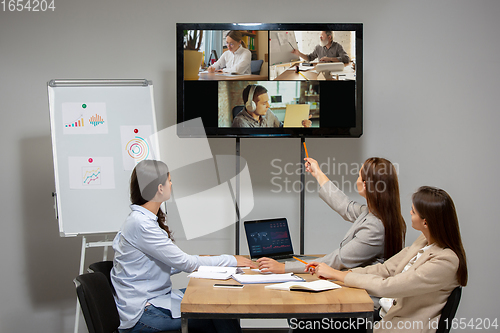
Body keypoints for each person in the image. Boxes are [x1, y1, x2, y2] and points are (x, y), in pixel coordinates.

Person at [111, 160, 255, 333]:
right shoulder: (141, 224)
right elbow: (186, 263)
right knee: (219, 311)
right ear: (160, 188)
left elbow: (158, 267)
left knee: (213, 295)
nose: (171, 184)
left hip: (153, 300)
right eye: (169, 180)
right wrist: (232, 260)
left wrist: (204, 260)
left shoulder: (141, 219)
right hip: (143, 313)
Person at [306, 186, 468, 333]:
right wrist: (342, 273)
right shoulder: (423, 241)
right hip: (384, 315)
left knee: (315, 325)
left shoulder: (446, 261)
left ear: (425, 222)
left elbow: (389, 286)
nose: (410, 213)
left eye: (413, 211)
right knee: (310, 322)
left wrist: (338, 275)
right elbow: (385, 269)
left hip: (400, 326)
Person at [258, 157, 406, 281]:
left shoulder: (375, 227)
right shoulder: (379, 214)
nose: (357, 179)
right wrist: (317, 173)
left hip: (364, 295)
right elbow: (345, 206)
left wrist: (283, 267)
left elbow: (338, 259)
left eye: (359, 176)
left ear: (366, 185)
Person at [232, 84, 312, 128]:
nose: (268, 106)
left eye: (268, 102)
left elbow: (281, 128)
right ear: (251, 105)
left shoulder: (268, 113)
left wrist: (300, 125)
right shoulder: (240, 123)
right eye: (264, 103)